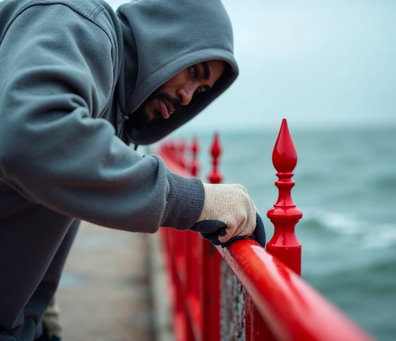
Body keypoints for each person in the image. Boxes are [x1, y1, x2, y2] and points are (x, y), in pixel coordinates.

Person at [0, 0, 262, 340]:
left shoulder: (110, 100)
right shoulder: (74, 18)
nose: (187, 97)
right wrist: (197, 201)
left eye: (202, 90)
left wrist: (37, 304)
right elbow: (31, 138)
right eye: (194, 72)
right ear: (165, 38)